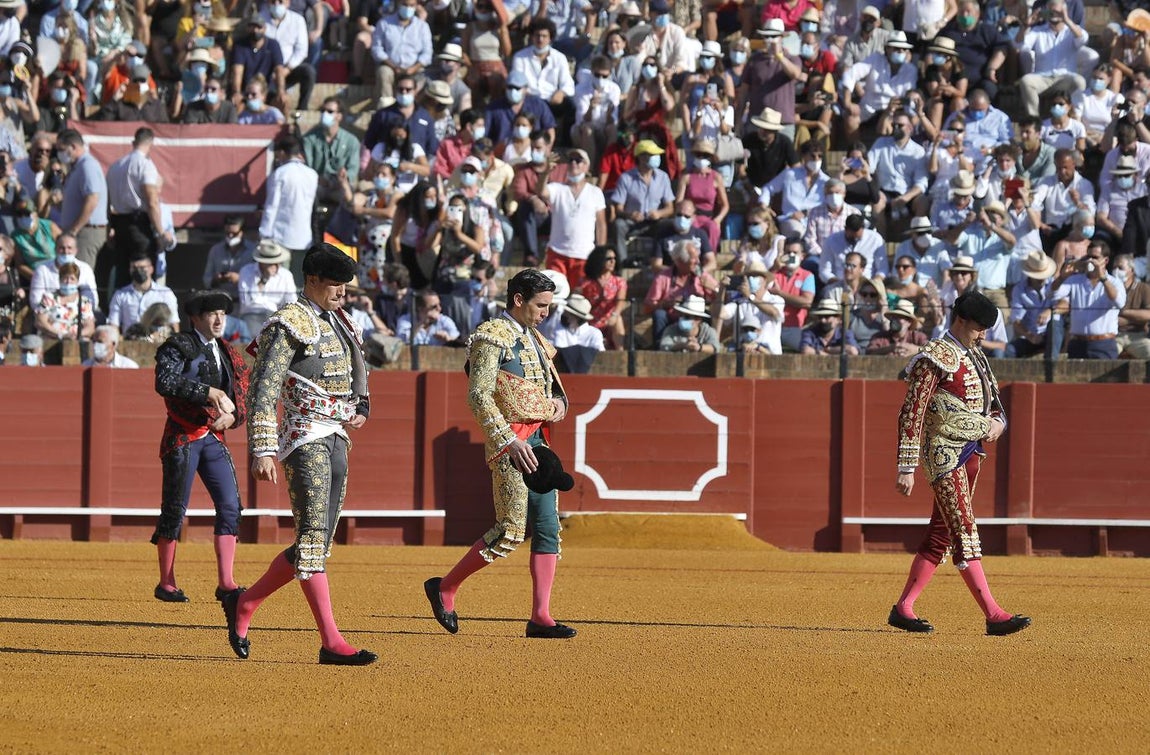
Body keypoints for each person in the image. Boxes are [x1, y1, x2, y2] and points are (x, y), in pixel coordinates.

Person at [226, 243, 377, 665]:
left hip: (336, 435)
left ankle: (246, 603)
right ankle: (331, 641)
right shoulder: (287, 323)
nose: (343, 293)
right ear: (312, 280)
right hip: (302, 436)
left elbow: (357, 372)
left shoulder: (342, 321)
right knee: (311, 538)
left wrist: (361, 405)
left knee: (318, 544)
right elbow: (263, 387)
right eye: (336, 285)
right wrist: (262, 448)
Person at [424, 268, 576, 639]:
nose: (545, 313)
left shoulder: (537, 340)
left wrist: (558, 405)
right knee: (509, 531)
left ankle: (541, 616)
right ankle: (445, 587)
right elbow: (478, 395)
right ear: (518, 300)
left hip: (538, 440)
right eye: (540, 305)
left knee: (547, 530)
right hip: (511, 443)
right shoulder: (493, 336)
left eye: (548, 306)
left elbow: (555, 391)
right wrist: (508, 440)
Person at [889, 291, 1031, 637]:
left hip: (971, 454)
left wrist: (1000, 423)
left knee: (941, 533)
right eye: (979, 327)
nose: (982, 334)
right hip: (944, 455)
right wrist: (906, 466)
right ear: (961, 320)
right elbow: (912, 411)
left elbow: (993, 402)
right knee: (964, 531)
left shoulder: (976, 355)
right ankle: (994, 614)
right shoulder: (934, 357)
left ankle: (903, 608)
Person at [152, 291, 250, 603]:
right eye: (212, 314)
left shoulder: (228, 352)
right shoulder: (178, 345)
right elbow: (164, 382)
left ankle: (227, 582)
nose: (219, 319)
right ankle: (166, 582)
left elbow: (240, 396)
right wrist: (207, 391)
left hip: (212, 438)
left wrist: (233, 417)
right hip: (182, 436)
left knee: (231, 506)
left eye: (222, 313)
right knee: (174, 509)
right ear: (196, 317)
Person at [106, 127, 171, 291]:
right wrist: (160, 232)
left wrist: (110, 229)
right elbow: (152, 201)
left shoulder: (115, 166)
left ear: (134, 142)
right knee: (143, 273)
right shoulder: (144, 165)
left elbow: (108, 202)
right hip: (139, 225)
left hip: (119, 223)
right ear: (150, 143)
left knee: (123, 274)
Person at [537, 148, 607, 289]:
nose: (574, 163)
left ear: (586, 166)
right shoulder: (557, 188)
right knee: (554, 295)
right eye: (571, 160)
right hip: (557, 252)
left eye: (578, 160)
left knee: (577, 297)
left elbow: (601, 224)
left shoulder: (595, 192)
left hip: (584, 254)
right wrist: (546, 172)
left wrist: (600, 254)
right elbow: (541, 191)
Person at [260, 135, 318, 283]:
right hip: (304, 236)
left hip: (281, 236)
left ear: (282, 153)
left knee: (279, 280)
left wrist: (265, 234)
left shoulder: (280, 173)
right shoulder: (312, 174)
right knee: (299, 282)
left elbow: (272, 206)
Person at [1050, 244, 1126, 359]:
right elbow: (1051, 294)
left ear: (1105, 260)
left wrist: (1103, 279)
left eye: (1095, 257)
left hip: (1103, 343)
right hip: (1078, 343)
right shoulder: (1075, 280)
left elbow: (1119, 302)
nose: (1090, 261)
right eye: (1088, 257)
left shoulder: (1115, 282)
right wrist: (1062, 277)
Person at [56, 128, 109, 270]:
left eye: (61, 149)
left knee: (80, 275)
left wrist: (74, 230)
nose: (59, 154)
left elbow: (92, 199)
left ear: (73, 147)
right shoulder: (76, 168)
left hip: (85, 232)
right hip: (78, 231)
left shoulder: (88, 166)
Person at [370, 0, 433, 104]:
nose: (408, 8)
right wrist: (393, 66)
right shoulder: (384, 23)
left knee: (424, 80)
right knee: (383, 72)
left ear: (416, 6)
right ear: (399, 3)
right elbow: (377, 49)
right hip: (390, 67)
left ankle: (414, 110)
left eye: (411, 5)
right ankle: (386, 107)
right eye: (405, 4)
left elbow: (427, 53)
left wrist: (413, 68)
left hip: (415, 69)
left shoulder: (422, 27)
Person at [107, 252, 179, 334]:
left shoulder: (165, 293)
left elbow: (174, 324)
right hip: (129, 342)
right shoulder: (120, 295)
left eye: (142, 267)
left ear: (151, 269)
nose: (138, 271)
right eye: (134, 268)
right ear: (130, 270)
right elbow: (113, 325)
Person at [238, 240, 298, 335]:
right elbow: (247, 303)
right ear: (262, 262)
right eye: (272, 263)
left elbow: (291, 303)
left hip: (275, 316)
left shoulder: (286, 275)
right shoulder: (246, 271)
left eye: (278, 262)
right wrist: (264, 279)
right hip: (251, 316)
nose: (276, 266)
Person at [1006, 250, 1057, 358]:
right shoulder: (1019, 290)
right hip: (1030, 336)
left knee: (1055, 329)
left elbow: (1065, 304)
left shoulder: (1054, 284)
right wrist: (1030, 336)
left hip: (1053, 335)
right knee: (1009, 351)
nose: (1041, 278)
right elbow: (1016, 320)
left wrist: (1049, 311)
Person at [202, 215, 257, 299]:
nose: (230, 236)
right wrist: (216, 279)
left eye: (234, 234)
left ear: (242, 232)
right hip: (221, 302)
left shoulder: (254, 251)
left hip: (244, 301)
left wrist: (240, 278)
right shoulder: (215, 250)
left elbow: (258, 279)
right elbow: (207, 279)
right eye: (227, 233)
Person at [553, 293, 605, 373]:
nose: (563, 315)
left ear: (576, 317)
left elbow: (599, 356)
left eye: (567, 314)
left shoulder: (594, 333)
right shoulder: (560, 329)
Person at [395, 288, 460, 345]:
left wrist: (448, 339)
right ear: (420, 308)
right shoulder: (405, 320)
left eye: (439, 305)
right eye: (434, 307)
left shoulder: (444, 321)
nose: (439, 309)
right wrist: (421, 322)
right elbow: (401, 342)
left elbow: (458, 341)